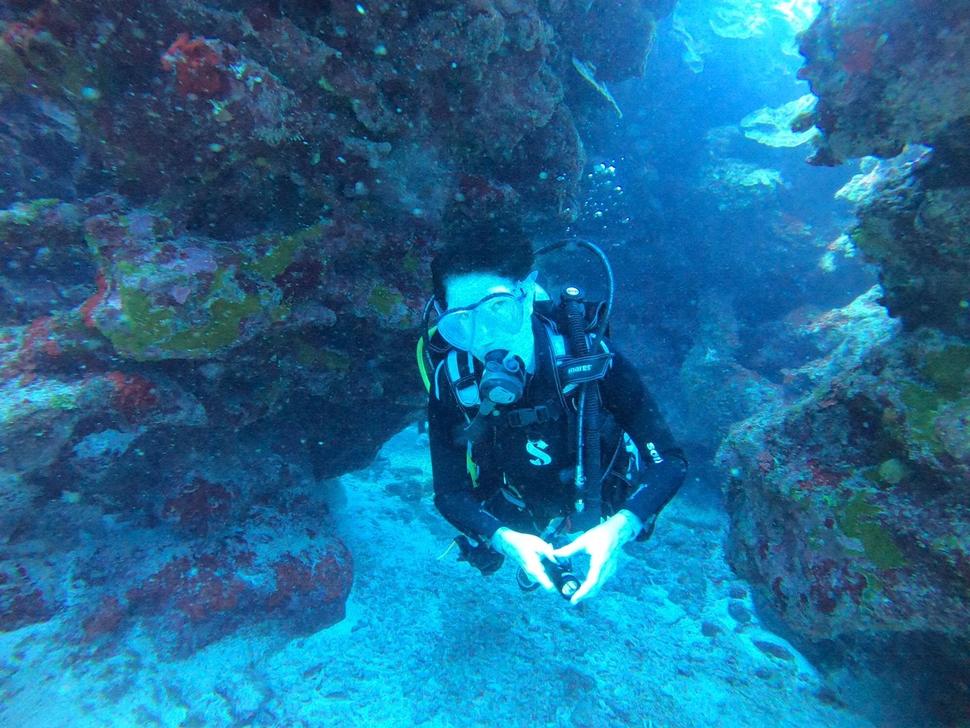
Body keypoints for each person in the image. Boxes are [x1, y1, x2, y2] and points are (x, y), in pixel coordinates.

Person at [417, 221, 687, 605]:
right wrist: (504, 539)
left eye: (498, 309)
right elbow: (450, 493)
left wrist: (623, 526)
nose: (483, 336)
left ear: (527, 294)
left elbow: (669, 461)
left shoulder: (589, 357)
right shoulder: (451, 381)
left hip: (597, 493)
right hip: (516, 501)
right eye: (461, 322)